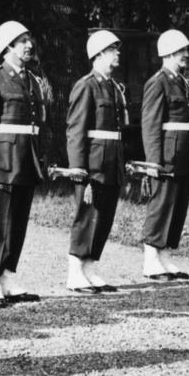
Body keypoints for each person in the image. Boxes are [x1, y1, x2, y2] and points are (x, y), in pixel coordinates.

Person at [0, 21, 45, 307]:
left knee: (17, 222)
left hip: (26, 161)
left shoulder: (32, 80)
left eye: (29, 39)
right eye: (22, 41)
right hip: (2, 163)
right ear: (8, 47)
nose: (29, 45)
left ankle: (7, 277)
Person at [63, 30, 127, 294]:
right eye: (112, 49)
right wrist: (79, 169)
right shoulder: (86, 85)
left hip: (111, 162)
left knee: (104, 217)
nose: (117, 53)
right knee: (87, 217)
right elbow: (76, 130)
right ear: (98, 54)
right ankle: (75, 273)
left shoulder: (113, 87)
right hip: (93, 165)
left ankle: (89, 268)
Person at [141, 29, 189, 281]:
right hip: (165, 157)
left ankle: (163, 257)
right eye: (181, 50)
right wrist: (153, 162)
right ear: (169, 53)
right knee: (161, 206)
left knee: (177, 206)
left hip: (182, 155)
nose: (186, 54)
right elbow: (150, 125)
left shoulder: (181, 82)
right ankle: (151, 261)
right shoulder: (158, 82)